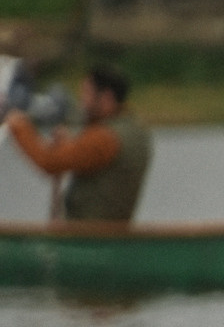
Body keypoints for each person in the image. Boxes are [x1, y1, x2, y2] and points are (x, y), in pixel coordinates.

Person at [3, 63, 151, 223]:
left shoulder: (106, 137)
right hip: (106, 231)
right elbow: (88, 156)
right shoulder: (133, 129)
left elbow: (49, 162)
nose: (82, 101)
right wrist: (68, 145)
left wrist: (19, 126)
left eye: (87, 93)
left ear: (106, 97)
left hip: (89, 233)